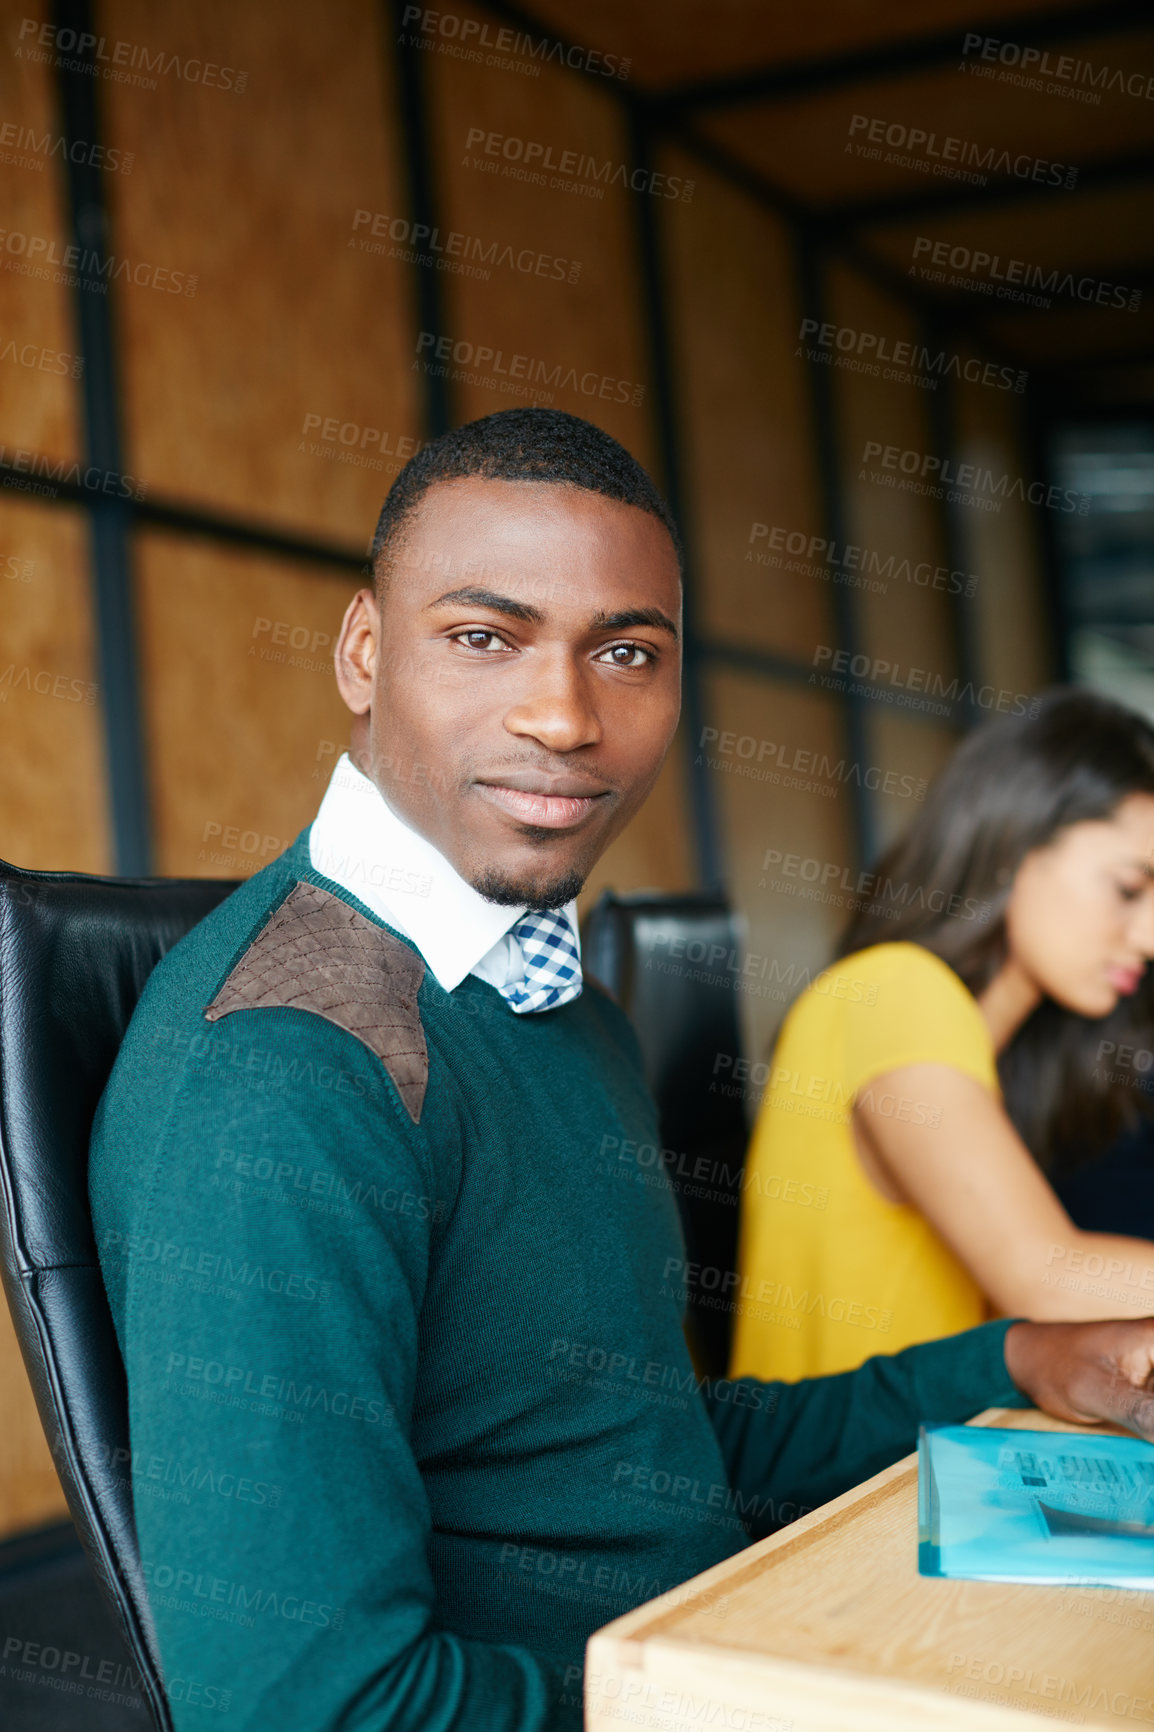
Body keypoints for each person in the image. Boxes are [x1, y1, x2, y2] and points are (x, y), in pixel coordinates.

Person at [89, 413, 1154, 1732]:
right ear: (363, 653)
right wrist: (746, 1705)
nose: (563, 715)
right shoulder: (285, 1072)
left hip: (730, 1642)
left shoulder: (558, 1005)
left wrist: (1025, 1355)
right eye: (484, 637)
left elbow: (650, 1450)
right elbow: (308, 1710)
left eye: (627, 653)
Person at [731, 690, 1154, 1385]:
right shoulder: (896, 989)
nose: (1148, 936)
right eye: (1129, 889)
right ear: (1016, 847)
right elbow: (1045, 1275)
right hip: (854, 1485)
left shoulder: (988, 1043)